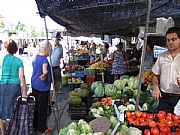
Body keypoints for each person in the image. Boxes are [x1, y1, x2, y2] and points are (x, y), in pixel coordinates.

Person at [0, 39, 27, 135]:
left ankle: (3, 133)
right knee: (14, 112)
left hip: (2, 85)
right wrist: (24, 92)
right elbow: (22, 77)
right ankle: (12, 132)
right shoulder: (19, 61)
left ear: (6, 49)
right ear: (16, 49)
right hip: (14, 87)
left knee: (2, 112)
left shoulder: (4, 59)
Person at [152, 26, 180, 113]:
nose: (170, 42)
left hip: (179, 98)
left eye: (173, 39)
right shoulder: (162, 56)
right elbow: (155, 74)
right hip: (165, 99)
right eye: (168, 40)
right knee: (162, 123)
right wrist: (156, 87)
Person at [30, 40, 52, 133]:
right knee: (42, 107)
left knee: (36, 106)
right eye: (50, 49)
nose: (51, 51)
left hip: (34, 84)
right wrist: (45, 74)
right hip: (42, 86)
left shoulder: (35, 57)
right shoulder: (44, 59)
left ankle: (35, 125)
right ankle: (42, 128)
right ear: (46, 49)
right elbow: (45, 71)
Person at [50, 31, 64, 104]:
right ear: (52, 38)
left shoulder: (60, 47)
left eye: (59, 39)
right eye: (57, 39)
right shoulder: (48, 46)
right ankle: (48, 99)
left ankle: (53, 99)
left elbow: (61, 57)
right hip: (48, 67)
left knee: (57, 84)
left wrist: (62, 63)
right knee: (47, 84)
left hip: (56, 67)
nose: (58, 41)